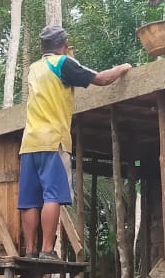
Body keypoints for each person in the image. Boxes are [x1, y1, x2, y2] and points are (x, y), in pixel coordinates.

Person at [19, 25, 131, 258]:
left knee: (29, 199)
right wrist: (123, 67)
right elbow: (101, 79)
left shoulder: (34, 68)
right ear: (64, 44)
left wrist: (67, 56)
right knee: (52, 196)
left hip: (29, 143)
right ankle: (47, 249)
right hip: (53, 141)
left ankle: (30, 251)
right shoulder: (63, 63)